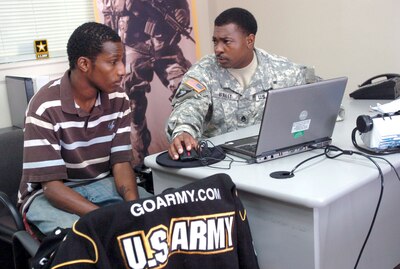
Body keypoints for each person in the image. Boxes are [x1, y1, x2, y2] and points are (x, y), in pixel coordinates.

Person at [17, 22, 149, 236]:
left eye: (122, 61)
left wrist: (132, 210)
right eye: (113, 62)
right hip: (50, 195)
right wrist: (105, 219)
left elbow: (120, 163)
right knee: (85, 241)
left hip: (103, 184)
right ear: (84, 64)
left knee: (154, 218)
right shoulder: (44, 107)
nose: (123, 70)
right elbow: (52, 188)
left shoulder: (119, 99)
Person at [166, 7, 319, 160]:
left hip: (271, 158)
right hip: (220, 163)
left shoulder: (282, 70)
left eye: (226, 41)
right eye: (215, 41)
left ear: (249, 40)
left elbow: (319, 97)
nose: (218, 49)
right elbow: (189, 106)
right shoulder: (203, 71)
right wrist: (183, 131)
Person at [102, 0, 193, 164]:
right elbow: (108, 24)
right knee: (134, 106)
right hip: (134, 49)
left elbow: (181, 7)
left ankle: (190, 146)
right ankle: (139, 161)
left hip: (165, 47)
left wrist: (183, 15)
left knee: (187, 90)